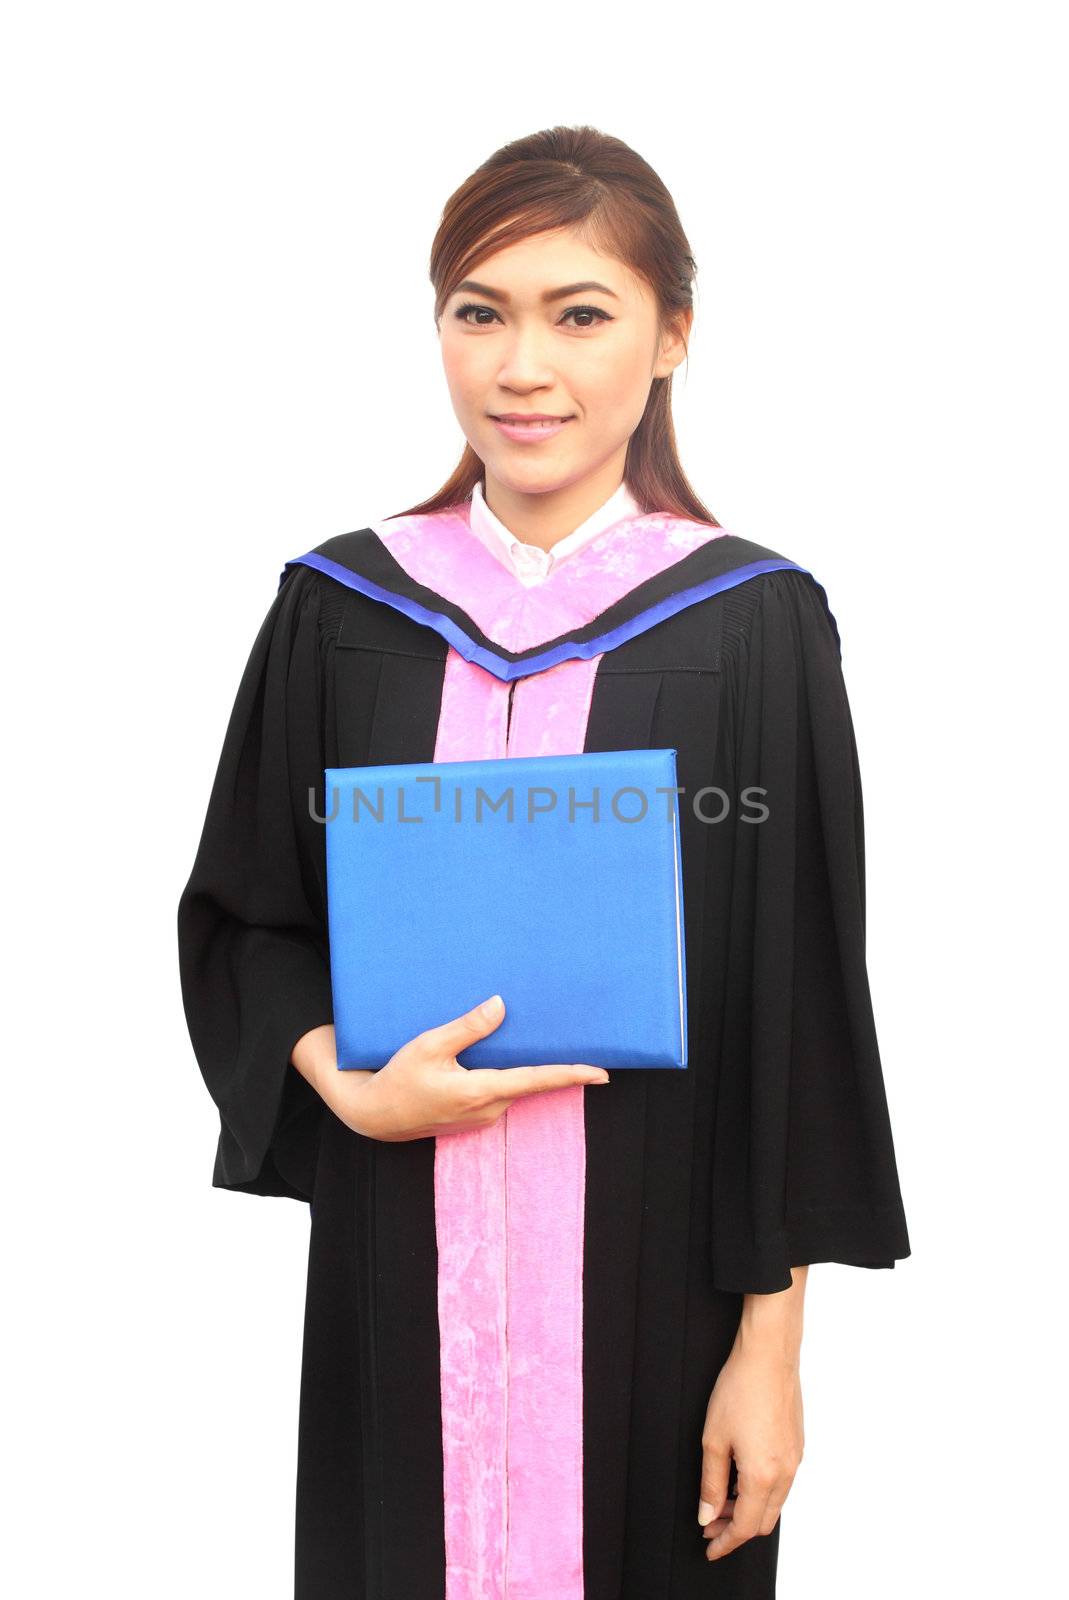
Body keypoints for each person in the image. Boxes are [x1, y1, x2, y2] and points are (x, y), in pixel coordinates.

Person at [177, 124, 911, 1600]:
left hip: (665, 1288)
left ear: (671, 335)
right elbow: (251, 919)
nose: (523, 368)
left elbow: (793, 1009)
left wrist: (768, 1354)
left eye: (581, 314)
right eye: (479, 311)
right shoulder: (343, 604)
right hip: (400, 1278)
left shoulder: (750, 625)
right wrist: (342, 1080)